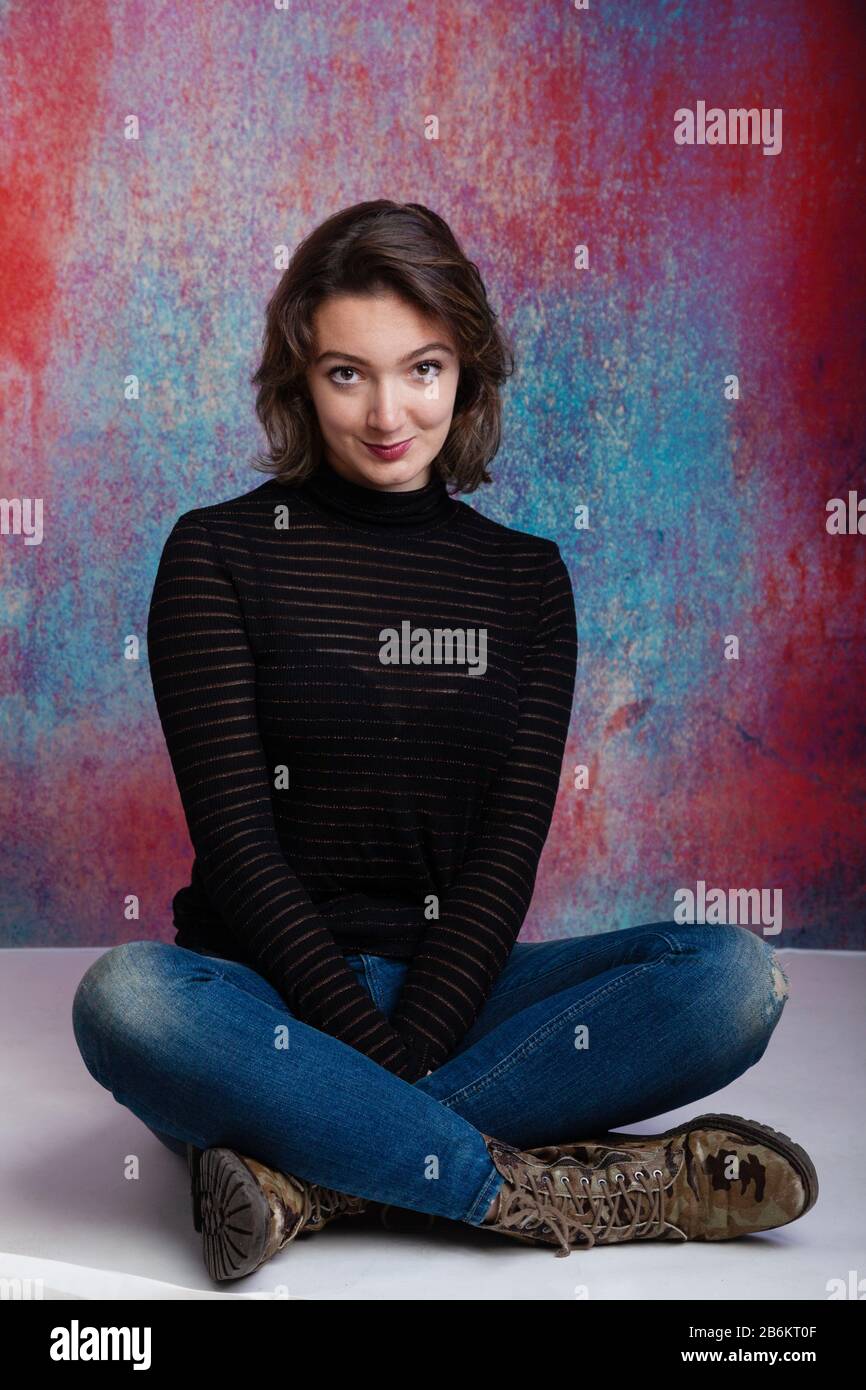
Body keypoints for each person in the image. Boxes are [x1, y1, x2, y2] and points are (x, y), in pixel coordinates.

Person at [71, 200, 817, 1281]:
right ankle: (528, 1192)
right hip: (263, 996)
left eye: (419, 368)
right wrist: (364, 1050)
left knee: (729, 975)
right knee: (126, 1000)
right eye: (345, 374)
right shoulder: (218, 553)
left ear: (464, 368)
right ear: (298, 377)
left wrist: (404, 1051)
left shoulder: (524, 578)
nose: (387, 412)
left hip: (462, 993)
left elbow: (506, 850)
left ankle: (315, 1172)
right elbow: (238, 847)